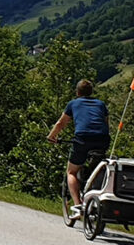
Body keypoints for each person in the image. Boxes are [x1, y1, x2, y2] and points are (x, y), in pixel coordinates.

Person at [47, 79, 111, 219]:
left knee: (71, 172)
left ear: (77, 92)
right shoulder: (101, 104)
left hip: (83, 139)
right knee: (97, 169)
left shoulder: (73, 104)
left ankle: (78, 206)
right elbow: (106, 124)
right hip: (102, 140)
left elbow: (60, 123)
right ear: (91, 92)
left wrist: (51, 136)